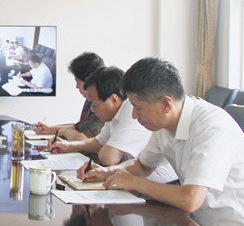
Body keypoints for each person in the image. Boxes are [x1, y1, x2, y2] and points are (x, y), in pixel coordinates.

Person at [84, 57, 244, 226]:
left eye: (138, 108)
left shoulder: (211, 126)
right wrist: (107, 172)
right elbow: (142, 166)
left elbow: (190, 199)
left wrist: (133, 182)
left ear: (166, 104)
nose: (134, 116)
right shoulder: (164, 123)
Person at [49, 66, 177, 184]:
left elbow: (109, 158)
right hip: (140, 184)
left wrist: (109, 170)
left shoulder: (130, 109)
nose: (92, 110)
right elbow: (99, 142)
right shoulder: (115, 114)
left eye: (95, 105)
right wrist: (68, 146)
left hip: (162, 187)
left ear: (114, 99)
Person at [33, 51, 105, 140]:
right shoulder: (90, 100)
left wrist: (64, 132)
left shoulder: (103, 103)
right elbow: (78, 127)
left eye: (78, 83)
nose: (76, 87)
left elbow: (81, 138)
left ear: (90, 82)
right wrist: (49, 129)